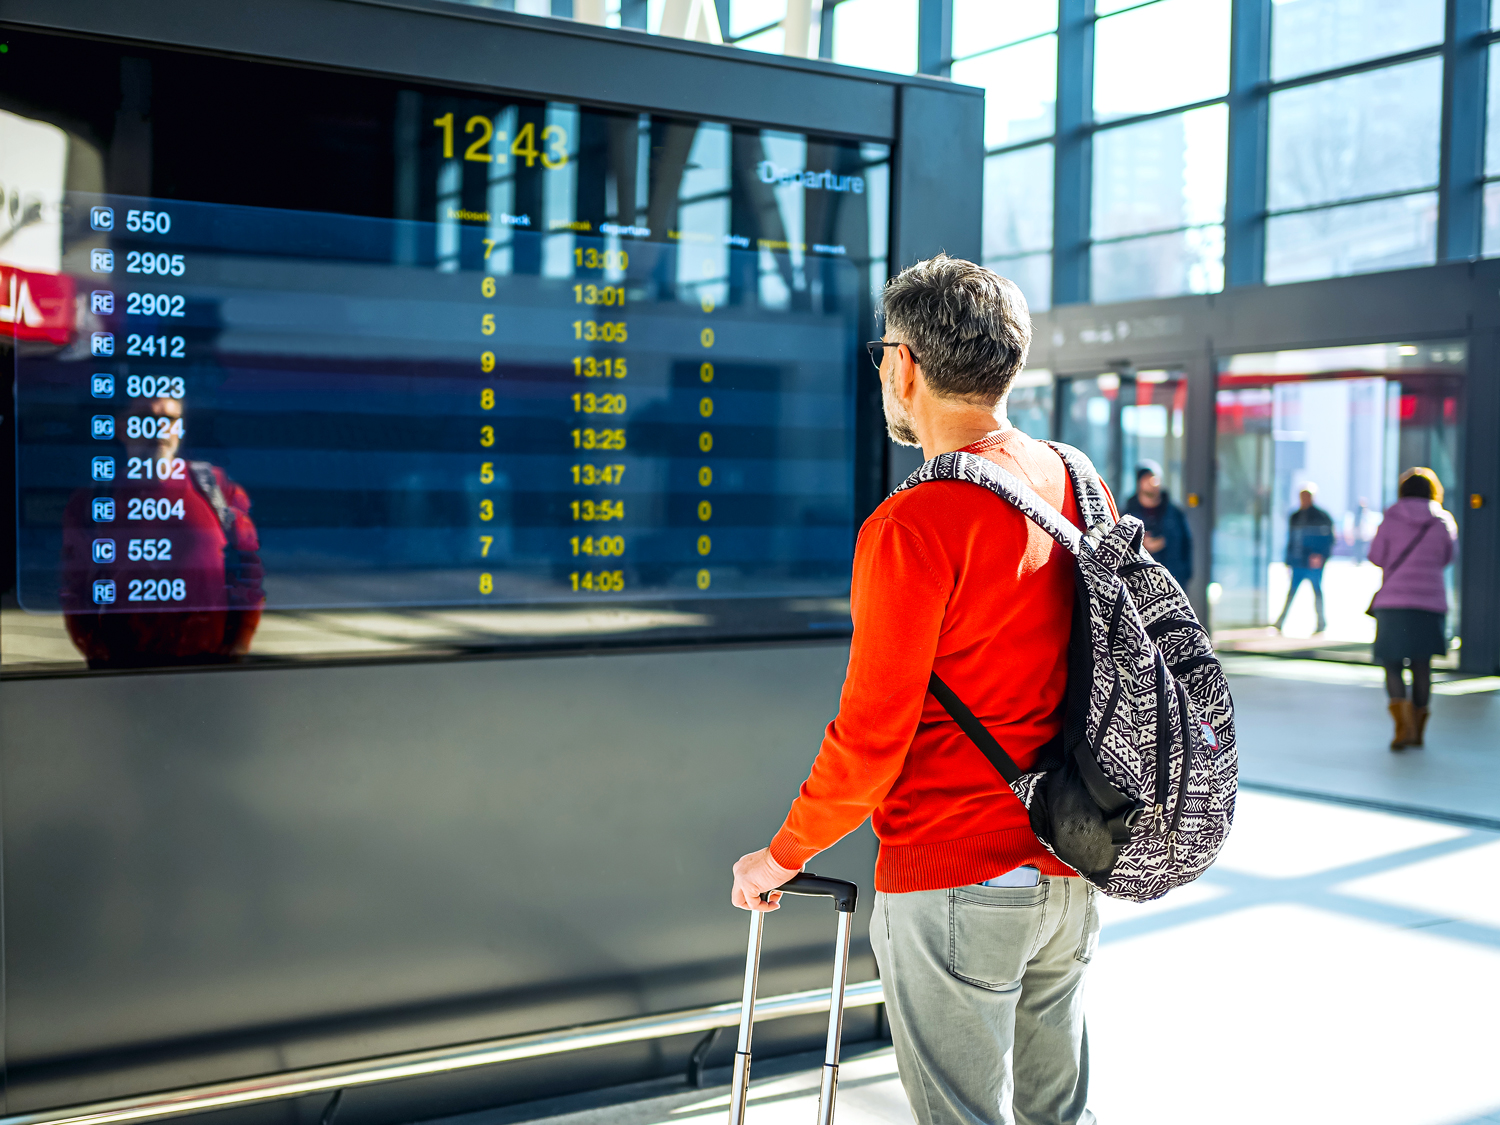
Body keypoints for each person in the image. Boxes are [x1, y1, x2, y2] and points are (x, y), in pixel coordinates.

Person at [730, 254, 1112, 1125]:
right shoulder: (1071, 478)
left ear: (903, 365)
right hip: (1072, 863)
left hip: (955, 881)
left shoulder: (913, 522)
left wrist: (782, 854)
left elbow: (870, 738)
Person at [61, 396, 265, 668]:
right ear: (121, 427)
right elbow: (74, 589)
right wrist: (99, 654)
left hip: (210, 665)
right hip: (121, 670)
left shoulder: (217, 488)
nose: (157, 430)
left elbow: (248, 571)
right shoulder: (90, 501)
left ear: (180, 429)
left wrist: (239, 643)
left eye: (168, 420)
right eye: (145, 419)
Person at [1368, 467, 1456, 750]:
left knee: (1392, 664)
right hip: (1429, 603)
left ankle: (1401, 727)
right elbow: (1447, 558)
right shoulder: (1443, 521)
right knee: (1422, 666)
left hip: (1393, 602)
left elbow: (1376, 556)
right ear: (1433, 491)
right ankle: (1418, 730)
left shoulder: (1391, 517)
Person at [1273, 484, 1335, 634]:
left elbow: (1329, 539)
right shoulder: (1295, 516)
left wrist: (1320, 556)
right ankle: (1281, 621)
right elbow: (1291, 540)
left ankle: (1321, 622)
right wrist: (1288, 560)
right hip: (1298, 561)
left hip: (1313, 562)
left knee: (1317, 591)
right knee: (1292, 591)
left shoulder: (1321, 516)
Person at [1124, 458, 1192, 587]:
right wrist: (1142, 545)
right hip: (1139, 584)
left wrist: (1185, 575)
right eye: (1147, 479)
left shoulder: (1175, 513)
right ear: (1139, 482)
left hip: (1173, 580)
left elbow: (1186, 544)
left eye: (1154, 478)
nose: (1152, 483)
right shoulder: (1127, 514)